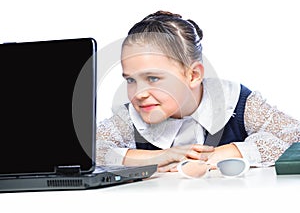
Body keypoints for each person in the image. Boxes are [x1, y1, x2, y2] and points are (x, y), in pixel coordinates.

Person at [96, 10, 300, 172]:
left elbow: (293, 133)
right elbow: (90, 150)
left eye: (153, 78)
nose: (139, 93)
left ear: (193, 75)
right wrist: (159, 157)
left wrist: (221, 153)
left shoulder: (236, 102)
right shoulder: (131, 117)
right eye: (131, 79)